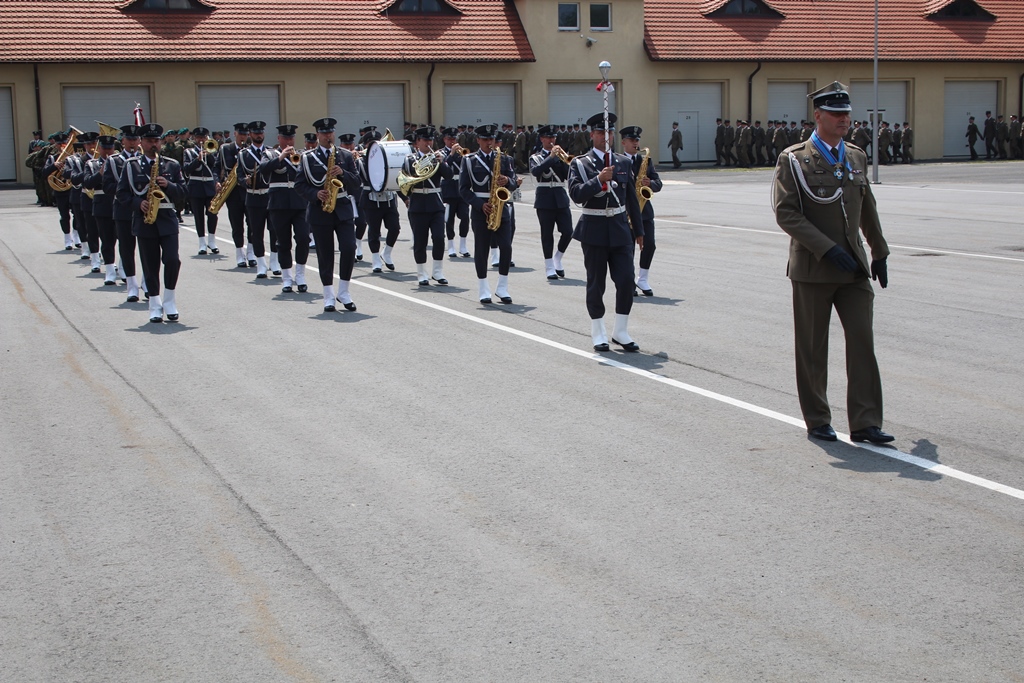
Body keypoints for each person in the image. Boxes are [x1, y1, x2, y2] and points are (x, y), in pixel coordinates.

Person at [771, 81, 893, 444]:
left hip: (852, 268)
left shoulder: (855, 156)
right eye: (836, 114)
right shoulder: (794, 159)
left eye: (847, 114)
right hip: (813, 267)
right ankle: (818, 418)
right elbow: (786, 213)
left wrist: (879, 252)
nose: (844, 120)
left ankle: (866, 421)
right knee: (812, 348)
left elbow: (867, 207)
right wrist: (826, 248)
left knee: (862, 343)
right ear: (818, 115)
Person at [567, 112, 645, 352]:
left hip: (620, 229)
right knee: (596, 283)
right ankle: (598, 331)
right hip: (594, 228)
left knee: (626, 280)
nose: (606, 136)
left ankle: (620, 331)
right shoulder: (580, 163)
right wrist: (598, 180)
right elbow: (576, 194)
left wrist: (639, 230)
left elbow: (631, 198)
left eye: (609, 132)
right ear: (592, 135)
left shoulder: (623, 162)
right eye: (601, 132)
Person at [118, 123, 187, 323]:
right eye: (149, 141)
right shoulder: (131, 165)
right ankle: (155, 305)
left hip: (167, 218)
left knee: (172, 260)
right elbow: (121, 194)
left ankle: (169, 300)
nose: (153, 144)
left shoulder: (171, 165)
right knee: (150, 265)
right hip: (144, 221)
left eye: (156, 140)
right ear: (141, 142)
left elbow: (184, 191)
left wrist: (170, 185)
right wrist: (137, 203)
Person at [294, 117, 361, 313]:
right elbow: (299, 185)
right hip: (320, 210)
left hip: (342, 208)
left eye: (330, 132)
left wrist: (343, 173)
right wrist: (315, 194)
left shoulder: (345, 155)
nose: (328, 136)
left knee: (349, 247)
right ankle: (328, 296)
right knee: (325, 254)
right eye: (324, 133)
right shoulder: (307, 158)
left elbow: (357, 181)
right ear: (318, 135)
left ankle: (344, 292)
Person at [458, 123, 517, 304]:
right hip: (481, 209)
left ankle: (502, 287)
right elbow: (463, 189)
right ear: (478, 140)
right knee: (481, 249)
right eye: (485, 139)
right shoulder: (469, 160)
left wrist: (508, 181)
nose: (489, 142)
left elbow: (514, 182)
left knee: (506, 247)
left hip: (501, 207)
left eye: (491, 139)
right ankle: (483, 288)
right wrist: (479, 204)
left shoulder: (504, 159)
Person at [261, 124, 310, 293]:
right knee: (283, 242)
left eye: (291, 138)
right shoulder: (270, 154)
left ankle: (300, 275)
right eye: (285, 138)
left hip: (299, 203)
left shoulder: (302, 155)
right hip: (279, 204)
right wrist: (281, 157)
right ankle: (287, 278)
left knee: (303, 238)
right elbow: (263, 169)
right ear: (279, 138)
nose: (289, 141)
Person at [403, 126, 453, 287]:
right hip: (417, 204)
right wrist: (406, 199)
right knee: (420, 241)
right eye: (425, 140)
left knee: (438, 237)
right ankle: (421, 273)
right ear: (418, 142)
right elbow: (404, 179)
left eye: (430, 140)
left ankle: (437, 271)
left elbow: (449, 175)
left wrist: (442, 162)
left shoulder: (438, 157)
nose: (429, 143)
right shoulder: (410, 159)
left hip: (435, 203)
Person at [619, 125, 662, 297]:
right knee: (628, 248)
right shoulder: (618, 161)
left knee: (650, 245)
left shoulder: (646, 161)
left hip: (644, 211)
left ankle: (642, 278)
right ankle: (629, 281)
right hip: (627, 211)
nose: (635, 143)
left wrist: (650, 183)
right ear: (623, 142)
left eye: (637, 140)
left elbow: (658, 183)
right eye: (632, 140)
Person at [529, 124, 574, 280]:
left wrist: (565, 161)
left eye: (553, 137)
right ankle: (549, 266)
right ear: (542, 139)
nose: (552, 140)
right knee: (547, 234)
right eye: (548, 137)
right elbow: (536, 171)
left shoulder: (561, 156)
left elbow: (568, 176)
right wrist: (551, 157)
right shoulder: (536, 157)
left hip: (560, 197)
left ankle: (557, 258)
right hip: (544, 198)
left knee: (568, 232)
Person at [106, 125, 144, 301]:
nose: (133, 142)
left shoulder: (145, 160)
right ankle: (131, 286)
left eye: (135, 139)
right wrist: (127, 188)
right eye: (129, 139)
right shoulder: (114, 161)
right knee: (127, 249)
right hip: (123, 210)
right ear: (123, 141)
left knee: (147, 250)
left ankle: (147, 282)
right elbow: (107, 187)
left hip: (143, 210)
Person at [357, 129, 403, 273]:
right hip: (370, 200)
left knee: (395, 227)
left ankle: (387, 252)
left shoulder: (387, 158)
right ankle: (376, 258)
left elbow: (395, 178)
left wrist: (405, 198)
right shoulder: (360, 161)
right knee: (374, 230)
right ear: (366, 146)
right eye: (370, 144)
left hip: (388, 199)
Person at [238, 121, 276, 278]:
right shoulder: (244, 154)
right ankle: (261, 264)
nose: (259, 135)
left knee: (274, 230)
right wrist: (244, 181)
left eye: (261, 132)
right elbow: (239, 175)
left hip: (270, 195)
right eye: (255, 133)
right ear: (250, 135)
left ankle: (274, 262)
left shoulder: (271, 152)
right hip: (253, 196)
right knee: (256, 232)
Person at [83, 135, 118, 284]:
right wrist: (100, 173)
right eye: (104, 148)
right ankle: (109, 271)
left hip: (119, 203)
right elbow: (87, 183)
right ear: (100, 148)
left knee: (124, 240)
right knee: (106, 239)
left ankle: (123, 268)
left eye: (110, 148)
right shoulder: (92, 164)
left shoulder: (120, 162)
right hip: (102, 205)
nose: (107, 151)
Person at [182, 127, 220, 255]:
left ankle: (212, 241)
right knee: (198, 216)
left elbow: (216, 167)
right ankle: (202, 243)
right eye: (198, 137)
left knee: (213, 214)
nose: (201, 140)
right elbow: (186, 169)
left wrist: (209, 155)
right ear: (194, 138)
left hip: (210, 186)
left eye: (203, 137)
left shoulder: (213, 151)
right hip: (196, 186)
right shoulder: (189, 152)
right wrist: (198, 159)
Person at [219, 122, 252, 268]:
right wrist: (217, 181)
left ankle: (251, 253)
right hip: (233, 192)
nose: (243, 137)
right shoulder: (226, 149)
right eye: (240, 134)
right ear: (235, 134)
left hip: (249, 191)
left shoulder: (251, 150)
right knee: (237, 225)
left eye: (245, 134)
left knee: (252, 224)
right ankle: (240, 254)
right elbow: (217, 167)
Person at [440, 127, 470, 258]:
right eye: (449, 139)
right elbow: (444, 166)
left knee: (465, 217)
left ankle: (463, 245)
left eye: (454, 139)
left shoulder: (461, 152)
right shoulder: (441, 153)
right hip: (448, 189)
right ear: (444, 139)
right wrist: (451, 154)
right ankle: (451, 245)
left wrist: (463, 155)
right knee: (449, 219)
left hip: (461, 189)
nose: (452, 141)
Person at [42, 132, 75, 250]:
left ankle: (76, 235)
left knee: (77, 215)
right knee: (64, 215)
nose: (62, 146)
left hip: (72, 189)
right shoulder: (52, 158)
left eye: (64, 143)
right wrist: (54, 166)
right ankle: (67, 238)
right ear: (56, 145)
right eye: (59, 144)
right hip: (60, 191)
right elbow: (44, 173)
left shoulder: (73, 158)